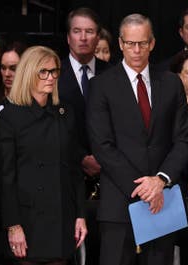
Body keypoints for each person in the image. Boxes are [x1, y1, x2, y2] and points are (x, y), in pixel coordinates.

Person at [87, 13, 188, 265]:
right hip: (120, 202)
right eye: (129, 43)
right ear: (119, 44)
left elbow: (183, 141)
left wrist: (160, 180)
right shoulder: (102, 85)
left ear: (152, 44)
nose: (135, 49)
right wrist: (142, 185)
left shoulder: (170, 83)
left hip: (161, 201)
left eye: (141, 43)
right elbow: (102, 146)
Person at [0, 45, 88, 265]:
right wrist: (13, 225)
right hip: (27, 219)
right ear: (28, 74)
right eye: (44, 72)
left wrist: (79, 214)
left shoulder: (65, 113)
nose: (51, 78)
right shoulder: (10, 116)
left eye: (54, 72)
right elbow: (6, 177)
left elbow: (74, 169)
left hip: (60, 215)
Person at [58, 7, 109, 195]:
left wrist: (104, 158)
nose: (83, 37)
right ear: (68, 37)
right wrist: (81, 157)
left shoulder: (112, 73)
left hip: (109, 173)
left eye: (89, 31)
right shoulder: (52, 75)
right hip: (66, 172)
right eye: (77, 31)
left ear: (98, 37)